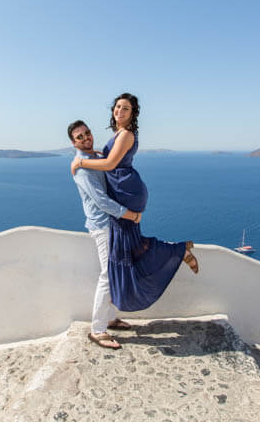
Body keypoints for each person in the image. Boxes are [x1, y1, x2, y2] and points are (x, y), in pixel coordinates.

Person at [71, 93, 198, 314]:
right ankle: (179, 251)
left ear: (133, 113)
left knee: (126, 248)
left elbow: (110, 164)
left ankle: (176, 252)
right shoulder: (119, 133)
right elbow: (112, 157)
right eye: (117, 107)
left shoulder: (126, 134)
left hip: (126, 190)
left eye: (126, 108)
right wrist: (93, 155)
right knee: (131, 245)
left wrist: (81, 161)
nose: (120, 111)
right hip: (123, 189)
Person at [68, 119, 143, 350]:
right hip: (103, 226)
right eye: (79, 137)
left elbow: (109, 164)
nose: (86, 138)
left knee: (113, 271)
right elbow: (100, 201)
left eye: (87, 133)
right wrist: (129, 214)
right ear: (74, 142)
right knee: (107, 275)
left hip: (109, 225)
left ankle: (109, 319)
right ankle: (97, 330)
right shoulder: (82, 168)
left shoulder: (93, 159)